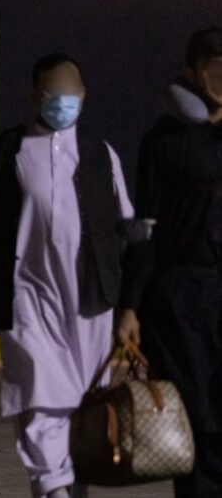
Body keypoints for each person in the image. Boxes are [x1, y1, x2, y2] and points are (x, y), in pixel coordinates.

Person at [0, 53, 134, 498]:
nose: (64, 100)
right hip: (25, 303)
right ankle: (53, 491)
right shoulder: (7, 152)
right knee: (36, 407)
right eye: (54, 91)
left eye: (72, 91)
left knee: (83, 417)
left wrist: (131, 306)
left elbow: (128, 231)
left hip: (90, 306)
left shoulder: (101, 155)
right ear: (34, 94)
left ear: (84, 96)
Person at [118, 28, 222, 497]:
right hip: (180, 299)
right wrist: (130, 306)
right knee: (198, 416)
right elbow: (144, 231)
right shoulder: (163, 140)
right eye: (213, 67)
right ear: (193, 71)